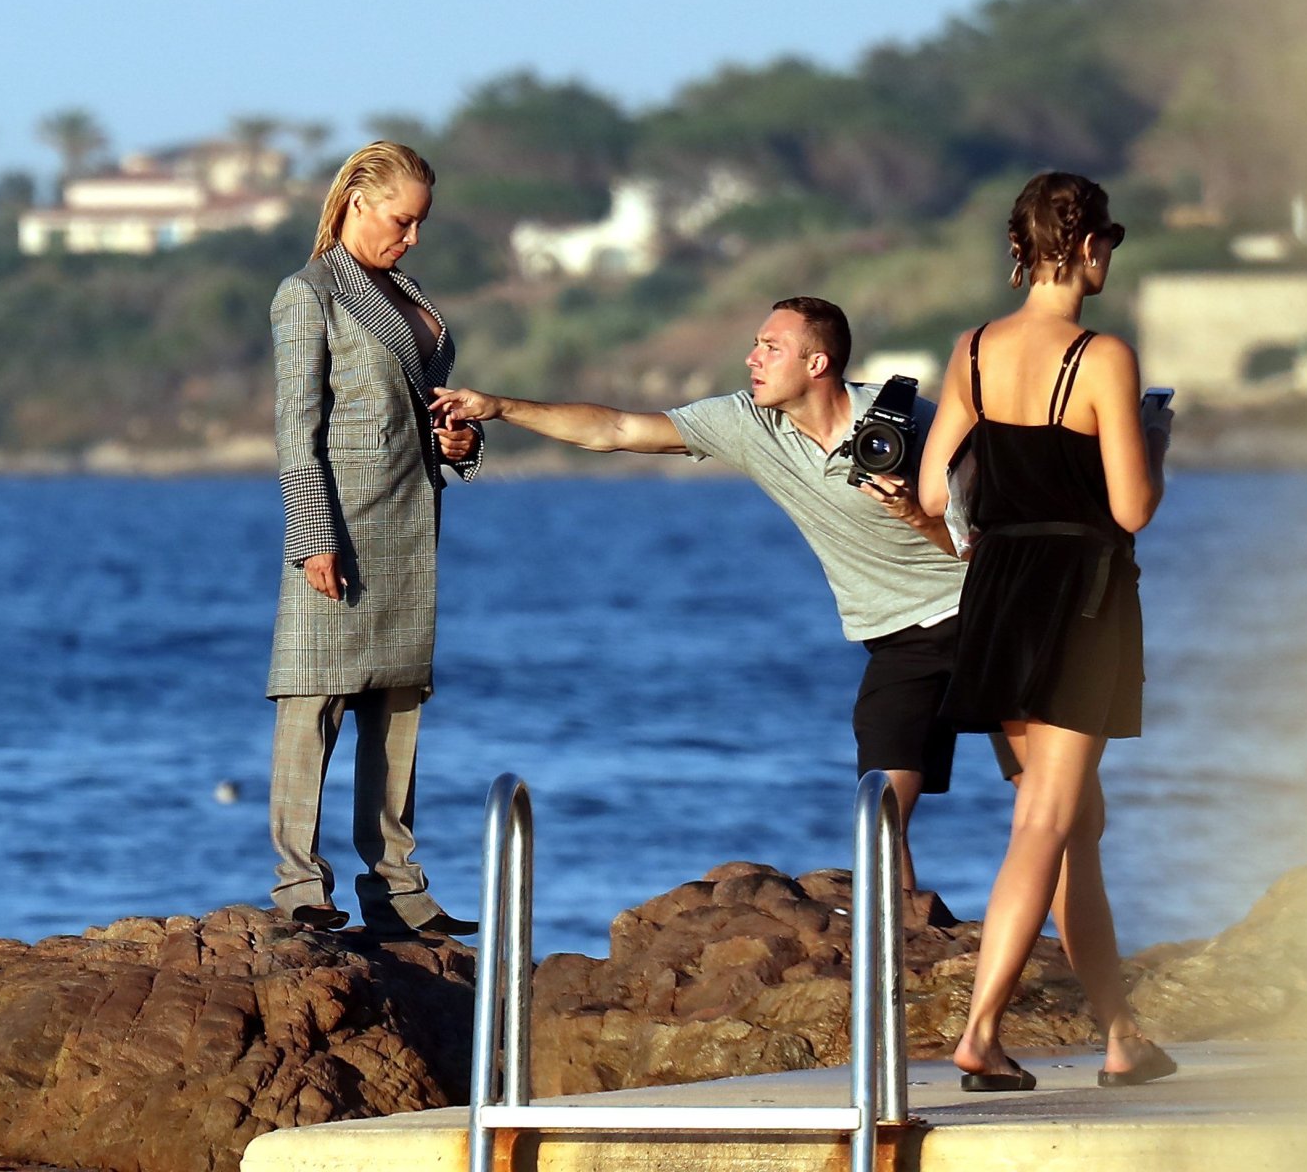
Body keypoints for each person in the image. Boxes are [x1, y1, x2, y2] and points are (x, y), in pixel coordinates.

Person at [433, 297, 1009, 918]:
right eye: (756, 344)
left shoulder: (907, 421)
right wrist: (500, 407)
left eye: (771, 347)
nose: (752, 358)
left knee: (1046, 799)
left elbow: (985, 538)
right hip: (899, 636)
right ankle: (899, 946)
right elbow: (617, 431)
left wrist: (912, 511)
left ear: (817, 363)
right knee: (881, 811)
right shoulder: (747, 422)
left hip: (988, 614)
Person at [917, 171, 1177, 1091]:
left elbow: (930, 489)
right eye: (1108, 248)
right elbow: (1131, 508)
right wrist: (1151, 446)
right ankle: (980, 1031)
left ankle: (1120, 1036)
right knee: (1045, 819)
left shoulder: (972, 349)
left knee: (1074, 824)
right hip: (1079, 594)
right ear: (1090, 247)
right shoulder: (1101, 357)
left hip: (998, 588)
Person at [266, 141, 482, 937]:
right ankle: (298, 885)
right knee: (311, 702)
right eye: (402, 221)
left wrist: (461, 444)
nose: (412, 237)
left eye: (421, 223)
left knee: (397, 704)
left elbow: (422, 405)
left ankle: (397, 889)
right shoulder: (308, 293)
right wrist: (312, 536)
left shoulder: (407, 292)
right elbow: (297, 430)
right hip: (342, 523)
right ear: (359, 201)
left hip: (410, 520)